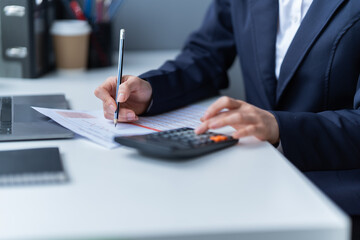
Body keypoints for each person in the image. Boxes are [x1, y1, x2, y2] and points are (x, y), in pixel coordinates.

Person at [95, 0, 360, 237]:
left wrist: (279, 127)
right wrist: (152, 90)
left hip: (333, 192)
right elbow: (206, 56)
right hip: (256, 176)